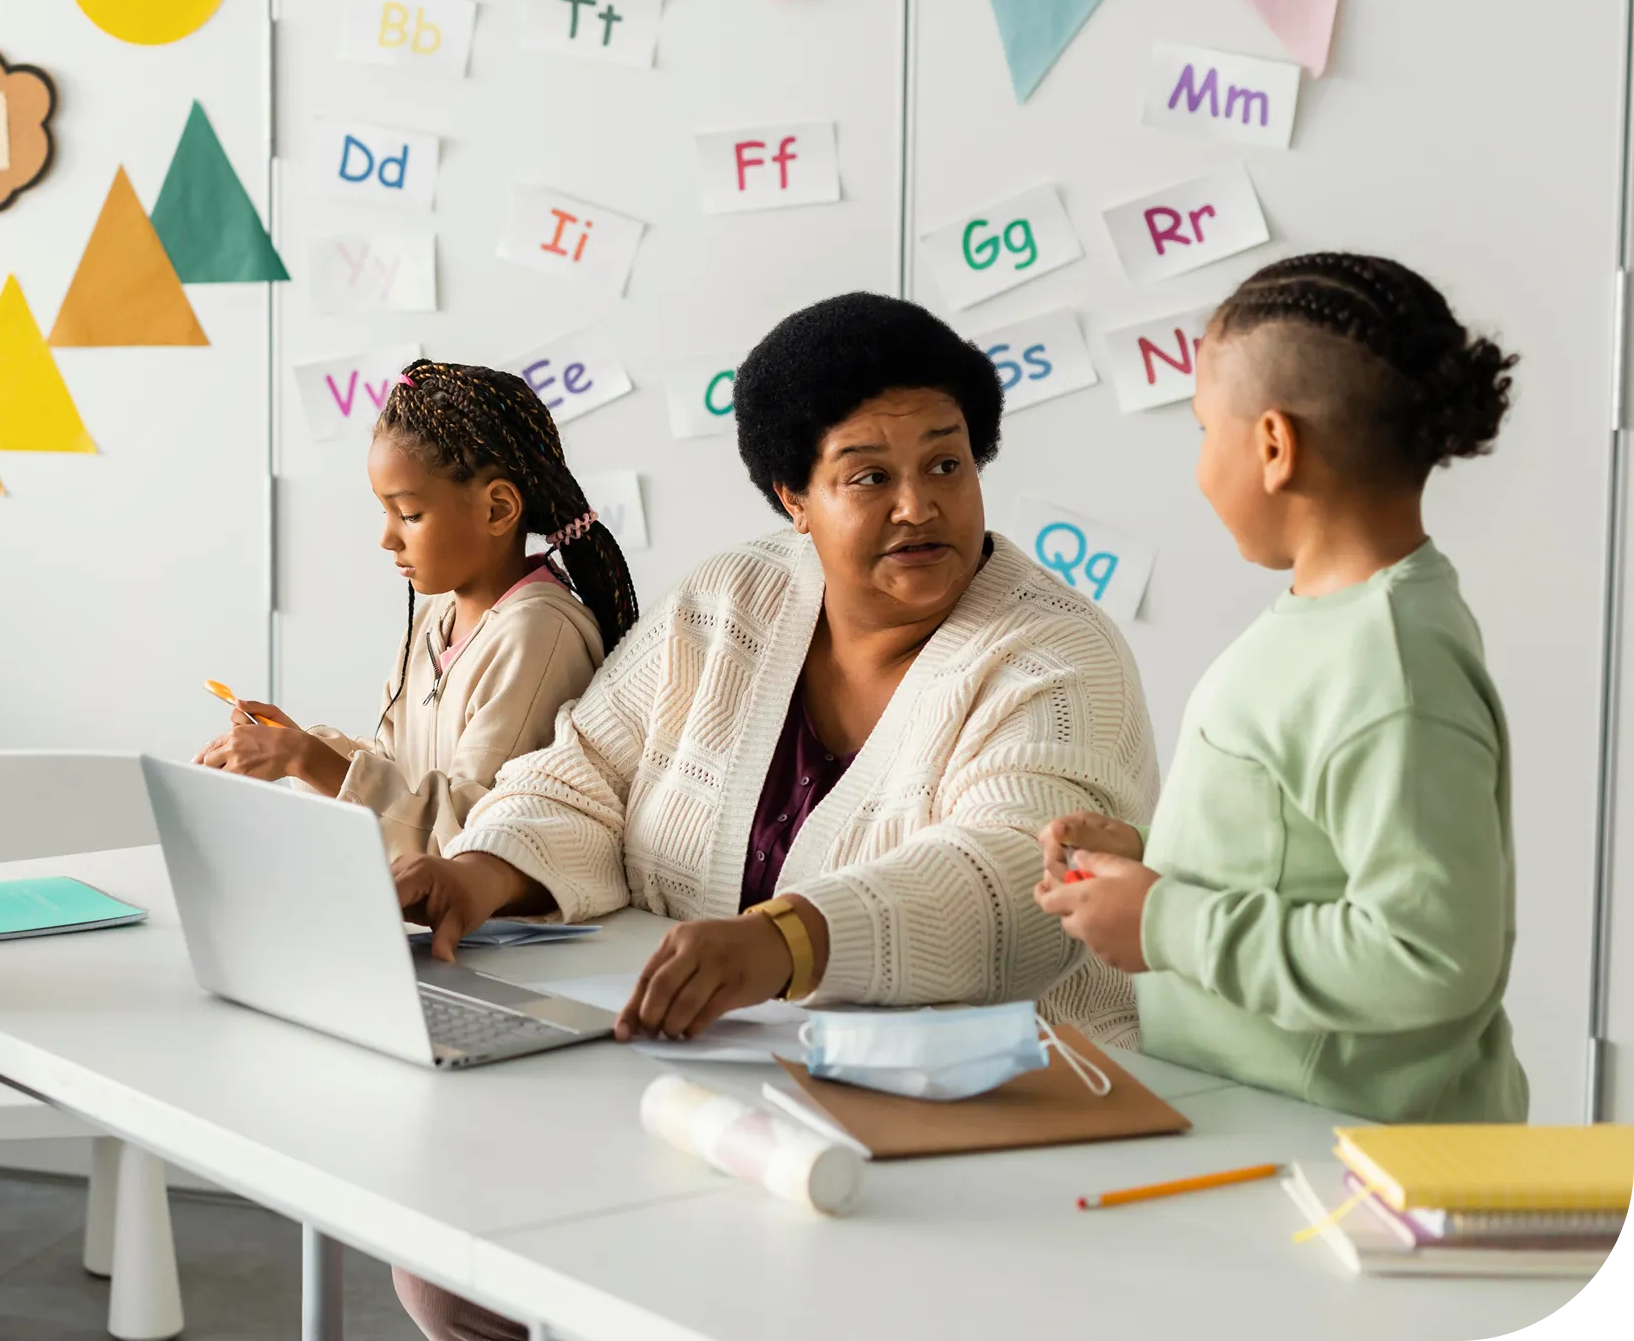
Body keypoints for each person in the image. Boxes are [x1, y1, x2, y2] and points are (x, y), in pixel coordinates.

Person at [389, 293, 1158, 1341]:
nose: (917, 506)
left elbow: (1007, 887)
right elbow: (585, 770)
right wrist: (482, 867)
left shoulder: (1059, 657)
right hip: (725, 1086)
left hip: (984, 1121)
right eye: (866, 476)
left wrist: (785, 938)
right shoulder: (731, 600)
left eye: (946, 463)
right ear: (791, 495)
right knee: (450, 1268)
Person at [1037, 253, 1528, 1123]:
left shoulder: (1393, 670)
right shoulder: (1332, 625)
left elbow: (1430, 958)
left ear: (1272, 445)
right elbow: (1309, 850)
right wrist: (1164, 862)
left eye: (1201, 430)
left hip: (1359, 1161)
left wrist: (1165, 924)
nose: (1196, 467)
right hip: (1275, 1122)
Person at [197, 360, 637, 857]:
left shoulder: (539, 635)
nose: (387, 538)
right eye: (384, 511)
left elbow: (477, 827)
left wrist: (307, 760)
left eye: (408, 514)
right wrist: (302, 748)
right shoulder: (435, 621)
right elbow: (396, 770)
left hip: (492, 928)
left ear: (497, 510)